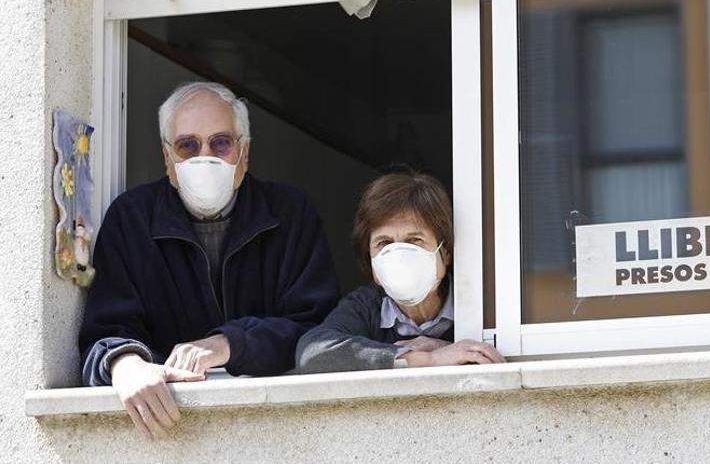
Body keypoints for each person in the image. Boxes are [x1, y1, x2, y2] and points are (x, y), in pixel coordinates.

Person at [79, 81, 339, 439]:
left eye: (221, 142)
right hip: (174, 438)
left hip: (280, 429)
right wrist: (126, 365)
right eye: (187, 146)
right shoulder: (131, 219)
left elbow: (321, 331)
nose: (205, 156)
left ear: (243, 155)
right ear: (167, 159)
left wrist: (227, 345)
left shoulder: (290, 213)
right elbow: (104, 331)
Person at [296, 170, 504, 373]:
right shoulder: (367, 306)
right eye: (384, 243)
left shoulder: (482, 304)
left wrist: (444, 346)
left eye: (414, 240)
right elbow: (313, 353)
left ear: (446, 252)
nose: (399, 255)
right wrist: (423, 358)